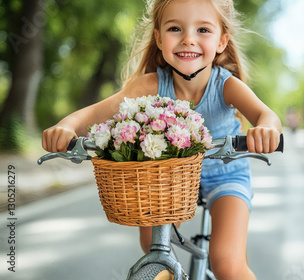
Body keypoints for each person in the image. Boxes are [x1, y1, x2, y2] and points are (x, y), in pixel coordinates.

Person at [41, 0, 282, 279]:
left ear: (221, 41)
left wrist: (266, 129)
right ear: (158, 38)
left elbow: (266, 115)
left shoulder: (225, 85)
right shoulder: (150, 85)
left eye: (203, 29)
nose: (188, 39)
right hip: (168, 179)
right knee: (154, 247)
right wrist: (66, 125)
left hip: (226, 174)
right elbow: (97, 112)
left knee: (227, 262)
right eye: (175, 28)